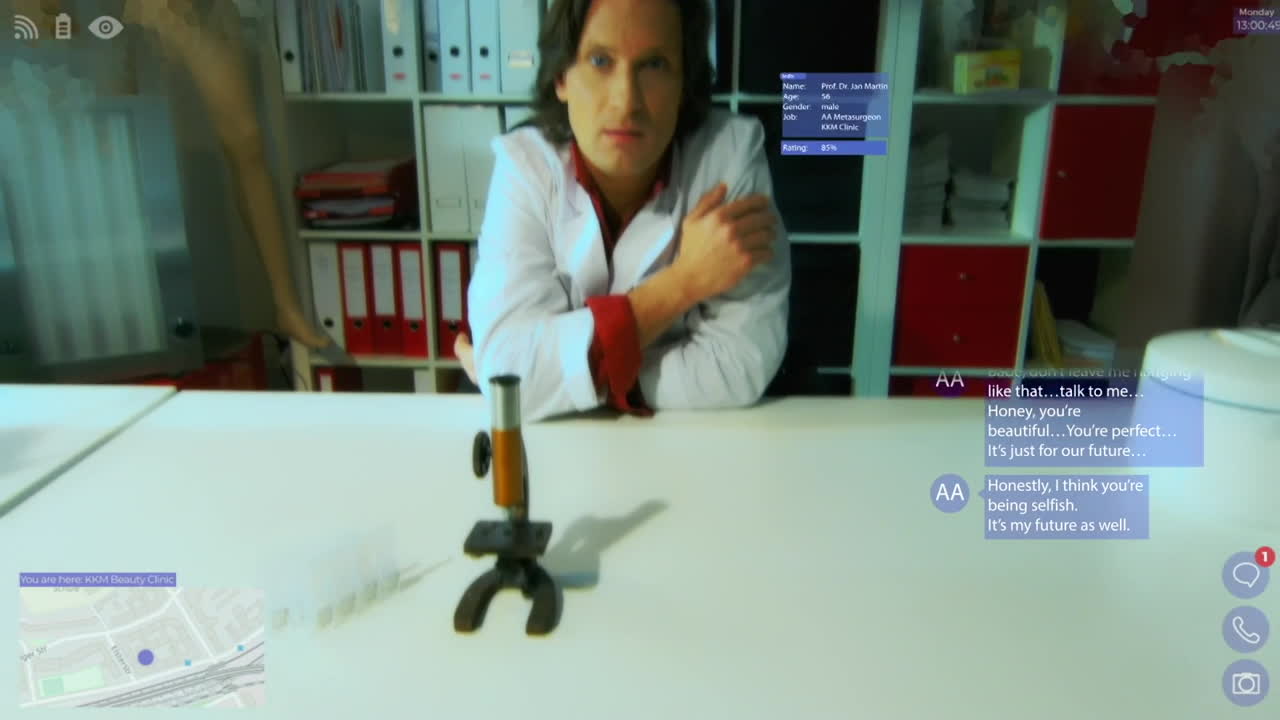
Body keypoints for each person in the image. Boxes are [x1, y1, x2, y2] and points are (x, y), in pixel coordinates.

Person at [455, 0, 791, 421]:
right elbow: (509, 372)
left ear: (683, 81)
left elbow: (740, 364)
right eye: (600, 61)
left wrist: (570, 376)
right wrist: (683, 284)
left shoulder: (730, 157)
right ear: (561, 76)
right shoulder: (524, 166)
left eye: (654, 64)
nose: (626, 101)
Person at [6, 0, 331, 352]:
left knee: (247, 141)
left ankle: (285, 305)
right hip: (104, 12)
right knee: (114, 144)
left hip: (185, 10)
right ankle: (119, 314)